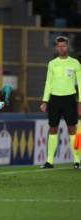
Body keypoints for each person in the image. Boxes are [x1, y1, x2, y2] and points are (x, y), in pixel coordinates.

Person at [40, 36, 81, 169]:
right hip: (55, 99)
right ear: (57, 47)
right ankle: (49, 161)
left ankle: (76, 160)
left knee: (72, 129)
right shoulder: (52, 64)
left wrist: (80, 100)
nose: (61, 48)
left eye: (64, 46)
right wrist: (45, 100)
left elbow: (80, 83)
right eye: (59, 46)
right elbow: (48, 82)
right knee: (53, 128)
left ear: (68, 47)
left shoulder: (75, 63)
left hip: (69, 99)